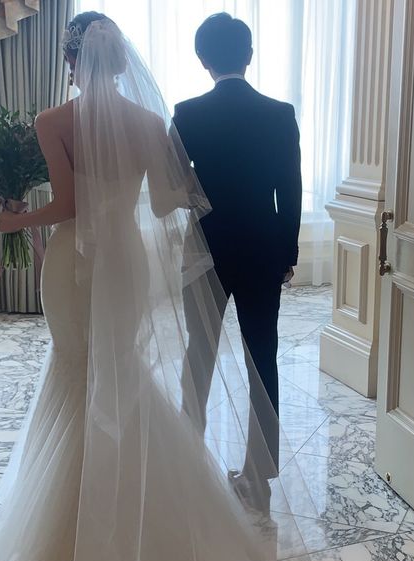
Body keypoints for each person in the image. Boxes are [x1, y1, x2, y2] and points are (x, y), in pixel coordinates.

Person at [0, 12, 318, 561]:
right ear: (123, 60)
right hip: (146, 258)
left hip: (87, 261)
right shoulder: (161, 119)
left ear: (71, 61)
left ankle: (95, 488)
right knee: (147, 364)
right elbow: (174, 200)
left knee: (91, 363)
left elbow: (70, 203)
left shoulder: (62, 120)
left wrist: (10, 218)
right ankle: (197, 483)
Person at [173, 13, 302, 499]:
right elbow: (290, 190)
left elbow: (174, 185)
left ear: (201, 59)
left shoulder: (186, 113)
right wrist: (287, 251)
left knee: (198, 351)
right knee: (262, 354)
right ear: (249, 55)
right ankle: (260, 470)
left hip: (204, 247)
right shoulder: (279, 113)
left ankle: (186, 457)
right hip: (262, 248)